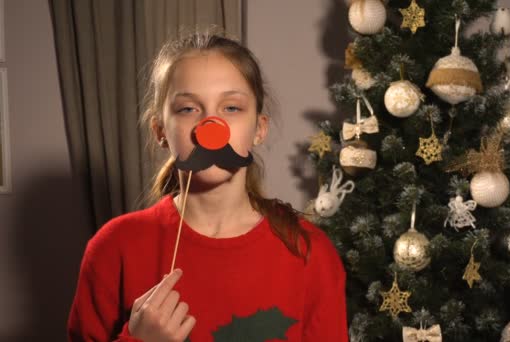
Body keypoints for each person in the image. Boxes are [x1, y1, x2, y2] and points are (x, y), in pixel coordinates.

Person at [67, 28, 348, 341]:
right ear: (160, 130)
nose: (210, 129)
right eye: (188, 109)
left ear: (259, 128)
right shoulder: (113, 248)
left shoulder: (310, 253)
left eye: (231, 108)